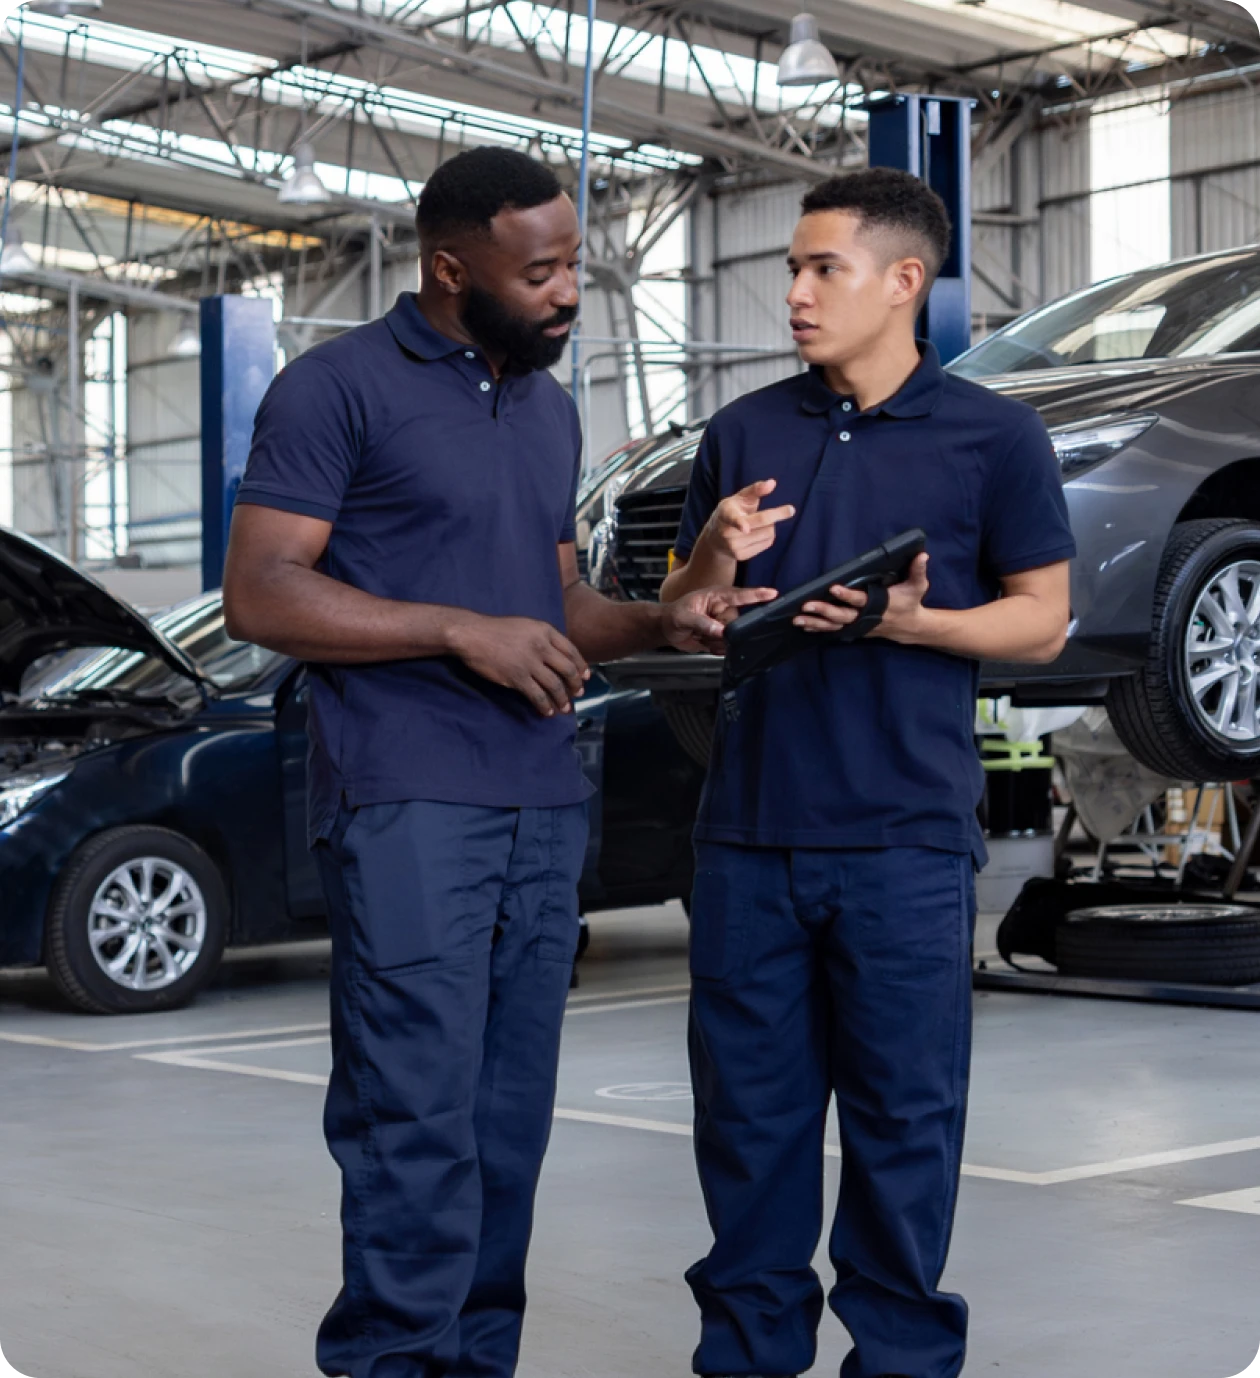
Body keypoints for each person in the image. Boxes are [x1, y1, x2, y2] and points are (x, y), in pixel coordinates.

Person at [222, 146, 771, 1378]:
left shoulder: (546, 406)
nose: (568, 289)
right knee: (413, 1119)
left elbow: (558, 602)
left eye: (575, 263)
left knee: (505, 1129)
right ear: (449, 265)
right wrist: (455, 627)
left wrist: (662, 621)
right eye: (541, 271)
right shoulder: (336, 388)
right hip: (408, 793)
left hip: (538, 795)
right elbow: (260, 593)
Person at [659, 167, 1076, 1378]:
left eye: (819, 268)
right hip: (746, 839)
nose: (792, 291)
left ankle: (899, 1362)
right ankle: (746, 1360)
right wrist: (707, 568)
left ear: (904, 283)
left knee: (903, 1128)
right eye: (789, 267)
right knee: (748, 1132)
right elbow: (691, 618)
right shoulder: (744, 432)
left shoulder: (995, 436)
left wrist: (915, 625)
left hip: (904, 842)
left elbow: (1042, 620)